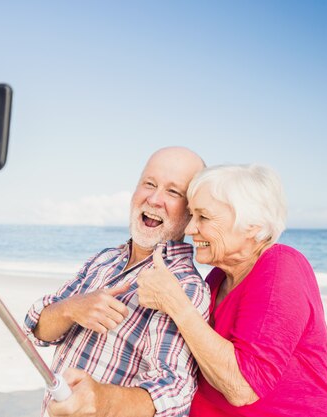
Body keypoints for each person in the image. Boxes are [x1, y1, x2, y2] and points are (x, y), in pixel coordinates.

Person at [137, 164, 327, 417]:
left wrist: (175, 303)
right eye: (191, 216)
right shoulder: (217, 278)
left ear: (252, 226)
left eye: (204, 217)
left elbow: (242, 387)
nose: (190, 229)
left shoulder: (281, 266)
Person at [24, 147, 211, 417]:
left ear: (191, 211)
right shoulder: (105, 259)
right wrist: (70, 309)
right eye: (149, 184)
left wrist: (102, 400)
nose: (155, 199)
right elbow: (36, 331)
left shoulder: (184, 285)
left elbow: (174, 390)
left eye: (173, 192)